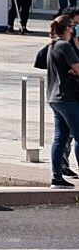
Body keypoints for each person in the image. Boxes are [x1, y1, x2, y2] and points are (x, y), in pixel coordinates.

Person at [45, 15, 79, 189]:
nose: (74, 29)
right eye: (73, 26)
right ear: (67, 28)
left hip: (54, 97)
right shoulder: (65, 46)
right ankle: (58, 176)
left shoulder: (52, 45)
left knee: (61, 138)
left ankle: (56, 177)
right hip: (67, 98)